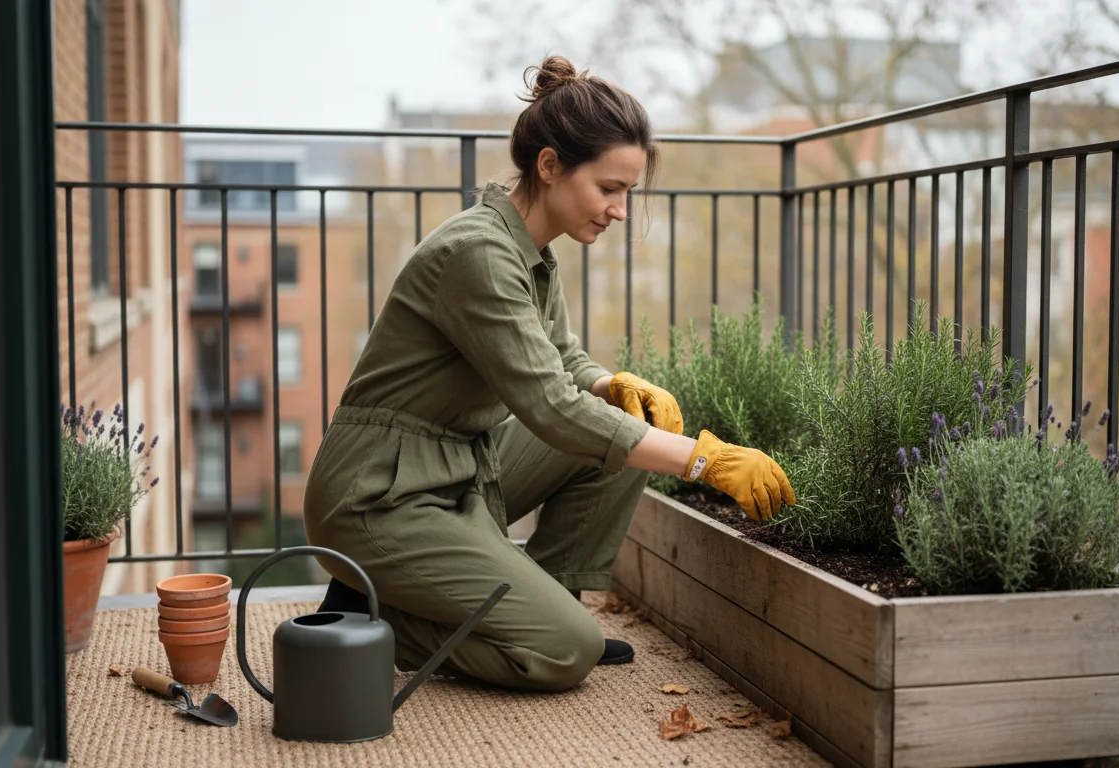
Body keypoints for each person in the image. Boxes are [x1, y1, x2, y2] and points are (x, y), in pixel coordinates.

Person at [302, 55, 795, 693]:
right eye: (609, 188)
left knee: (621, 421)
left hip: (452, 467)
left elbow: (562, 362)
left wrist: (612, 385)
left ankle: (543, 601)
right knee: (566, 653)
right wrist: (706, 459)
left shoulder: (529, 249)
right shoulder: (476, 253)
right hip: (377, 495)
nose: (619, 210)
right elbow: (550, 406)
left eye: (628, 193)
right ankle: (376, 613)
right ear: (550, 166)